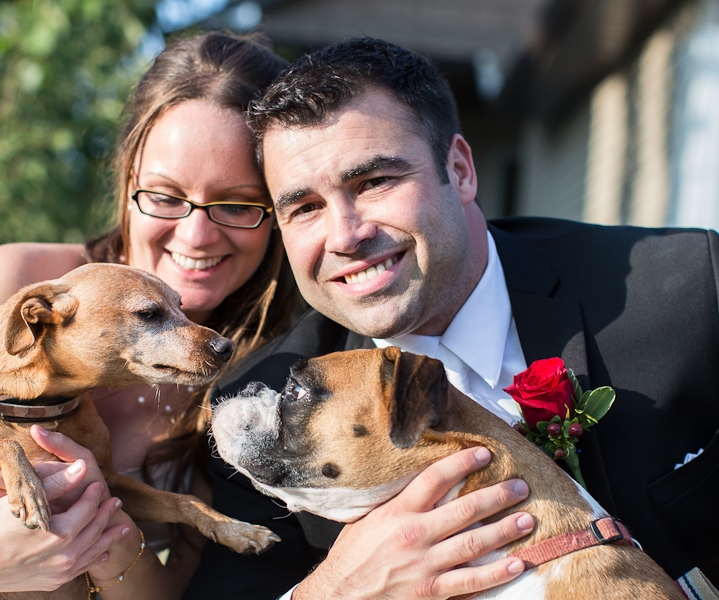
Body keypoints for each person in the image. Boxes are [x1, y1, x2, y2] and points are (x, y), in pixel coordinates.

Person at [179, 37, 719, 599]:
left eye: (374, 182)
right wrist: (334, 592)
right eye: (305, 208)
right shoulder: (264, 401)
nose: (345, 236)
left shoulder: (689, 289)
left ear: (460, 169)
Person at [0, 31, 303, 600]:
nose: (196, 234)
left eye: (236, 203)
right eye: (163, 194)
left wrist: (99, 540)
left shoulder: (272, 369)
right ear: (127, 178)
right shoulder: (15, 286)